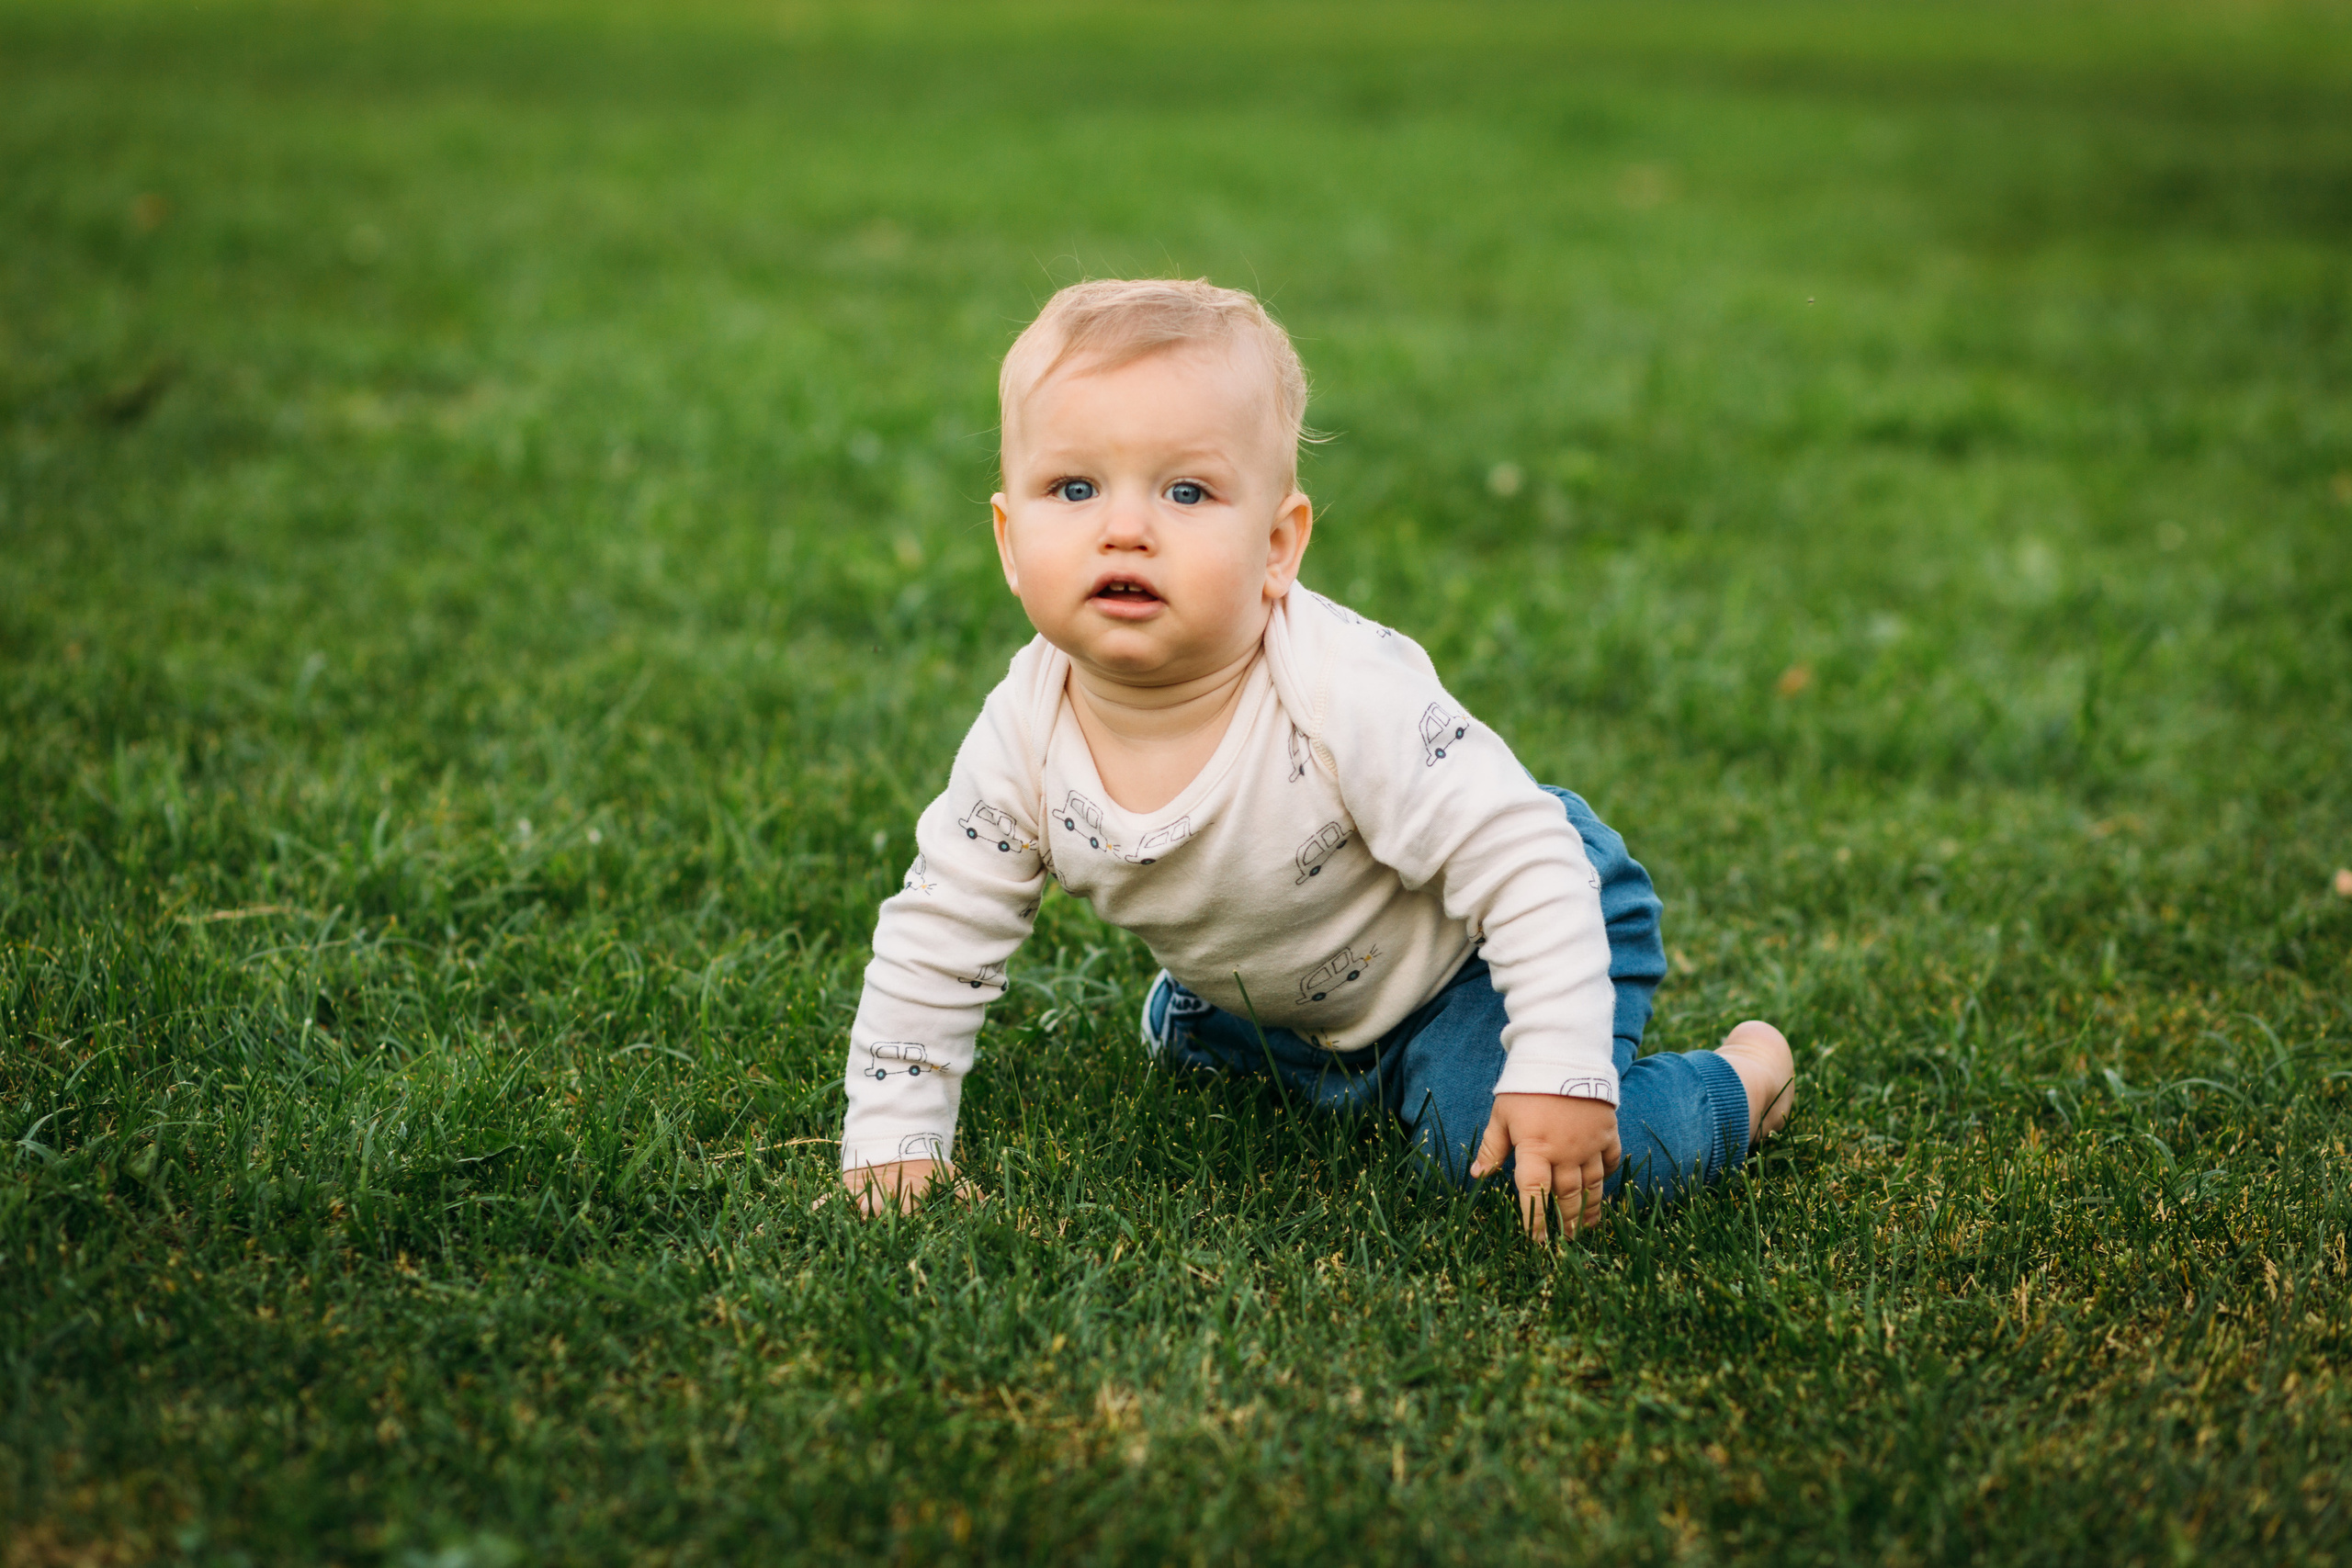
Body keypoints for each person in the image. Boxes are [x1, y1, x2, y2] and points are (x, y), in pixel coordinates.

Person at [837, 278, 1792, 1238]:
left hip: (1499, 932)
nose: (1124, 527)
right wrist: (894, 1139)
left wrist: (1558, 1067)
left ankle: (1740, 1082)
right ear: (1009, 541)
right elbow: (936, 937)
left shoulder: (1340, 689)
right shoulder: (1023, 734)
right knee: (1236, 1061)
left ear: (1276, 546)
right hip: (1308, 978)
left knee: (1508, 1167)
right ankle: (1248, 1030)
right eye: (1074, 489)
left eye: (1186, 491)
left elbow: (1526, 863)